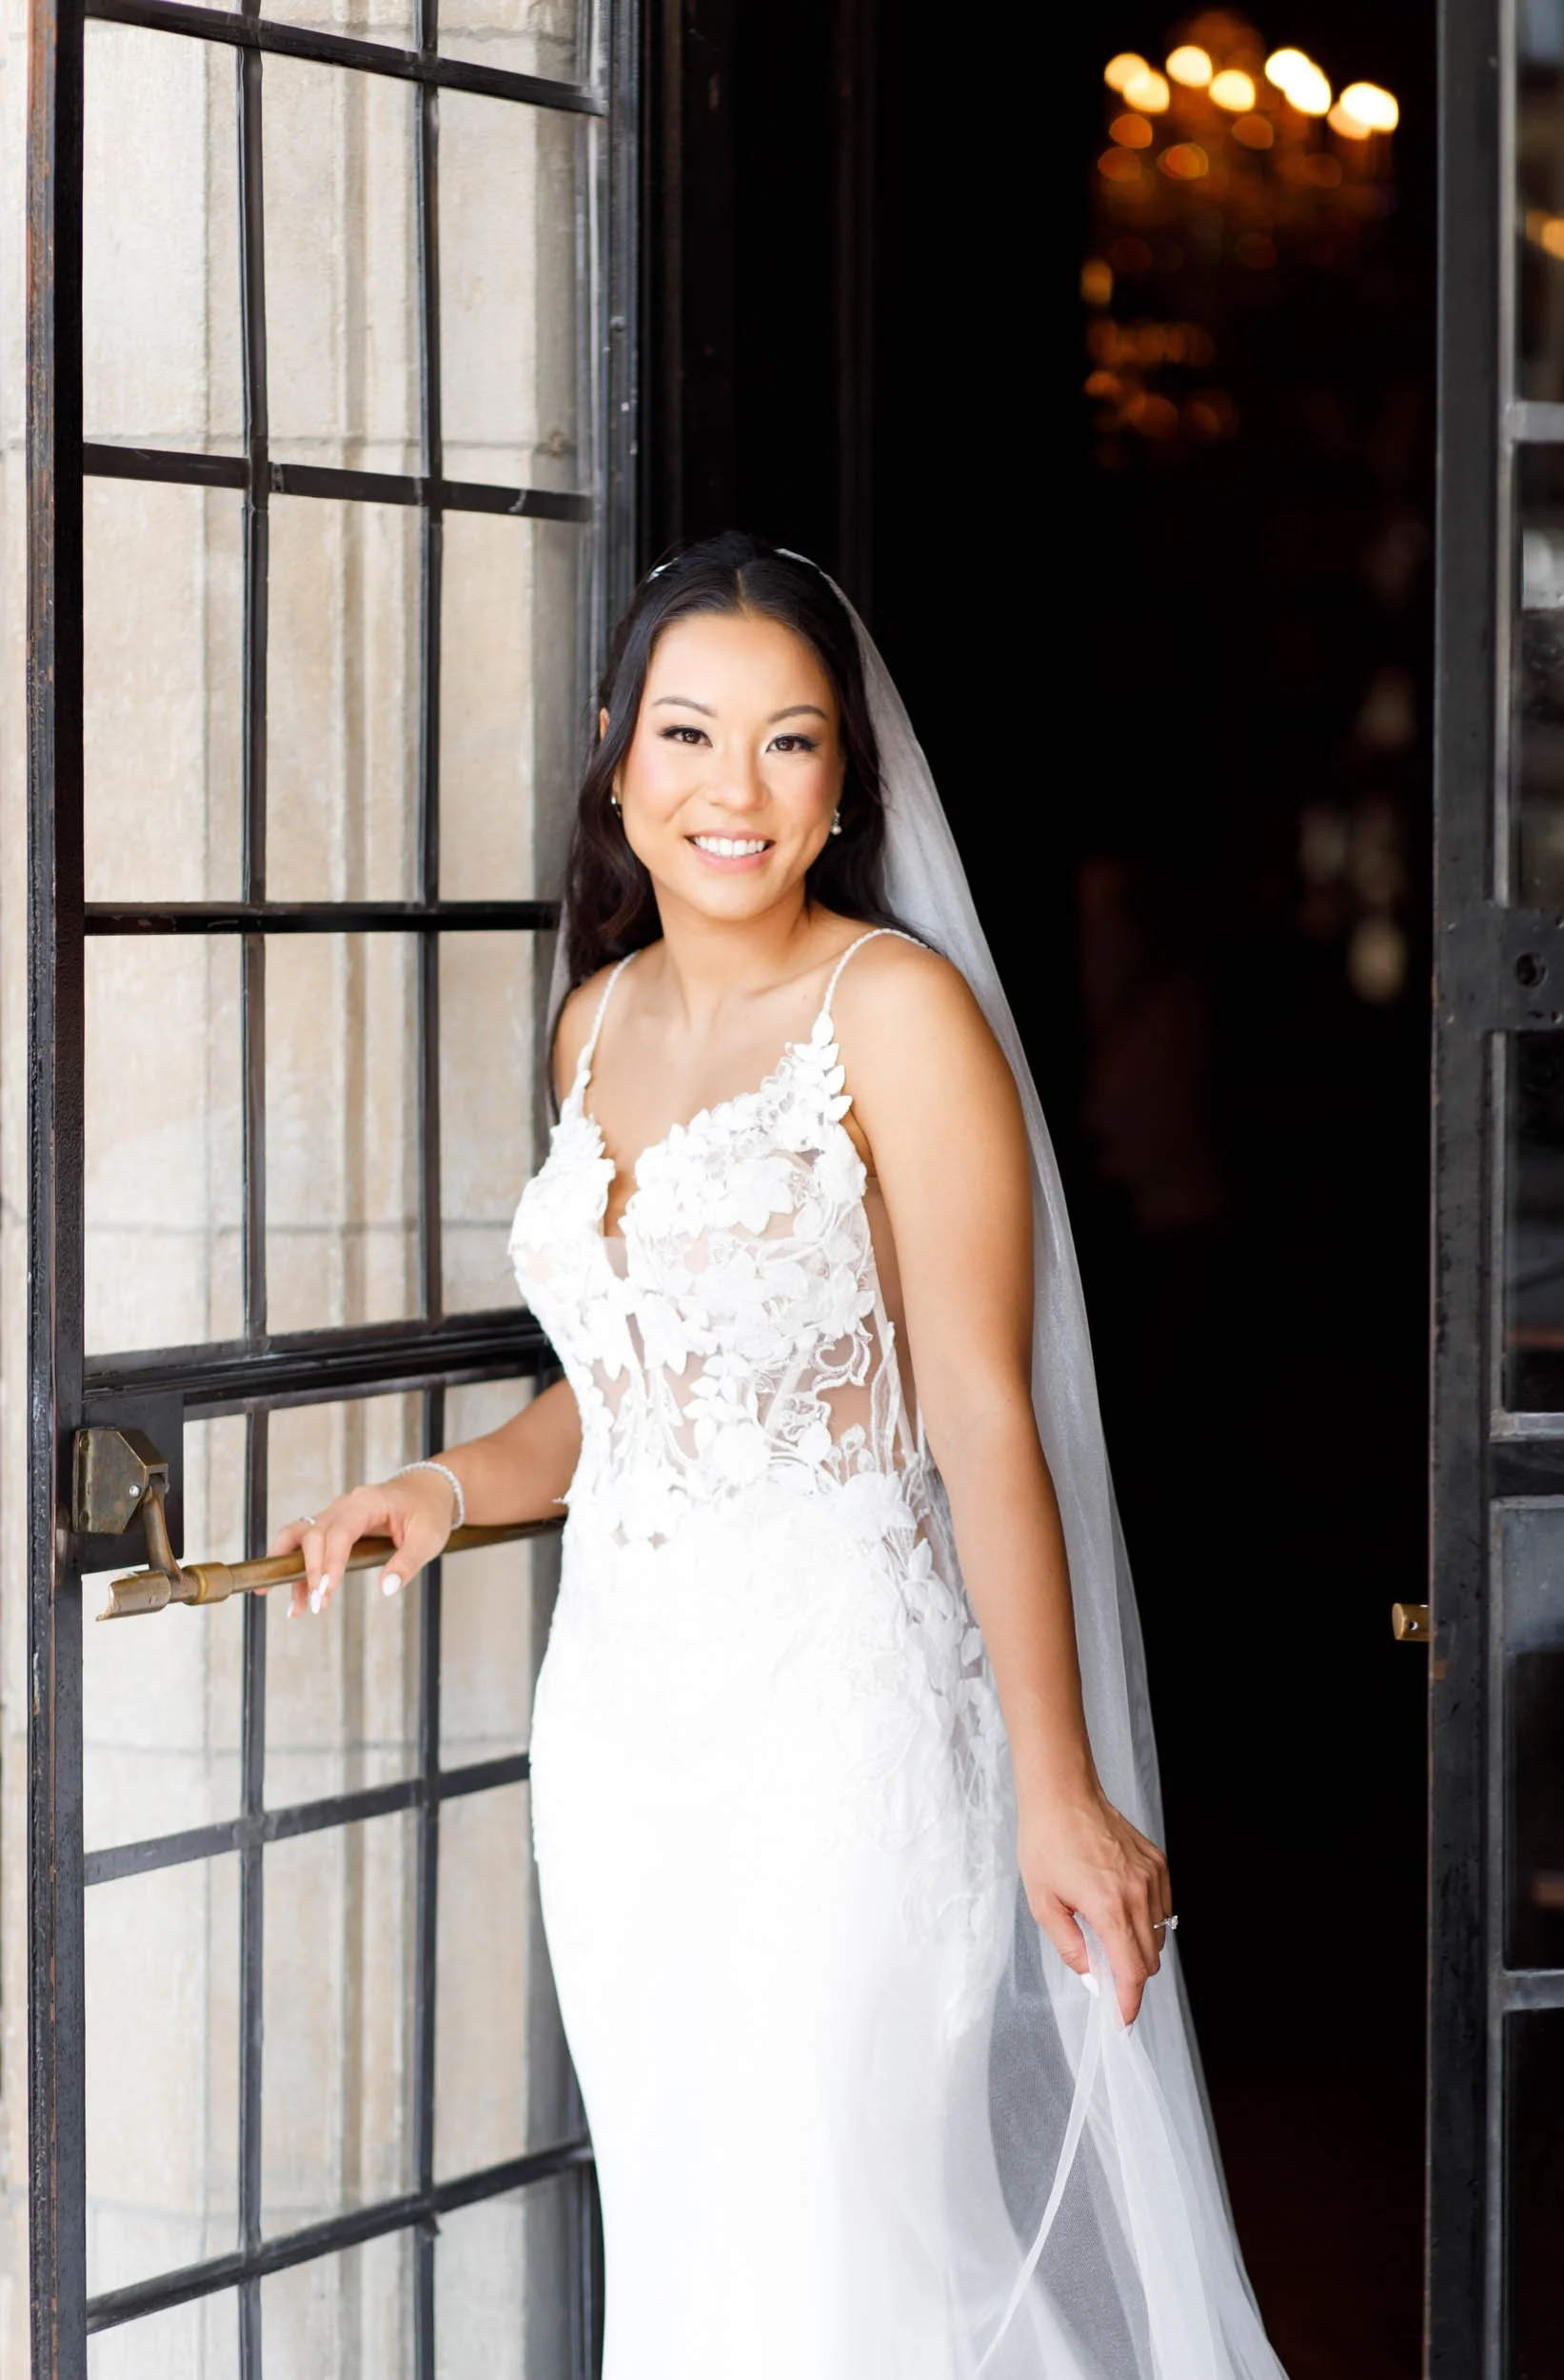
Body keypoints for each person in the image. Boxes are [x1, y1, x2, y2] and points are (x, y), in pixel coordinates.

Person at [274, 535, 1287, 2378]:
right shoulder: (597, 1020)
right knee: (693, 2223)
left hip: (841, 1720)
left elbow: (979, 1406)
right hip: (625, 1727)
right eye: (687, 733)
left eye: (788, 742)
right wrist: (438, 1483)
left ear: (844, 788)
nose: (730, 789)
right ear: (615, 758)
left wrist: (1057, 1785)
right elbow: (633, 1380)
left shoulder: (890, 1010)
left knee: (827, 2227)